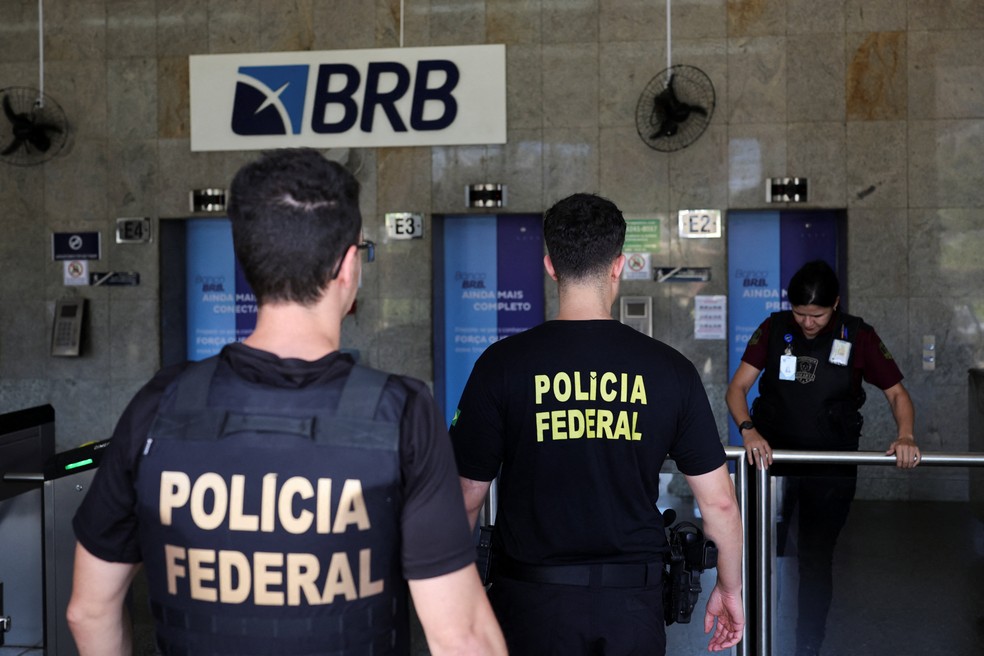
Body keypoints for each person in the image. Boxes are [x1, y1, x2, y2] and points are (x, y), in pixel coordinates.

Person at [66, 148, 506, 656]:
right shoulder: (400, 413)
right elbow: (462, 637)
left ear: (251, 261)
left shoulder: (160, 404)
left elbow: (89, 609)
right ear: (348, 266)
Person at [449, 193, 744, 655]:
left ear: (551, 267)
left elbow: (466, 497)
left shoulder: (501, 365)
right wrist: (730, 589)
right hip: (632, 605)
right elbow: (721, 505)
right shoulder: (670, 370)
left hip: (530, 603)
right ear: (618, 265)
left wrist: (448, 598)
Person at [725, 258, 921, 656]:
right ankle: (753, 639)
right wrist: (749, 431)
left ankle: (807, 646)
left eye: (816, 314)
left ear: (835, 303)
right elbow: (737, 389)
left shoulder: (858, 335)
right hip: (770, 466)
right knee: (759, 555)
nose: (807, 323)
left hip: (830, 468)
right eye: (799, 313)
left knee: (816, 560)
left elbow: (898, 394)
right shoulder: (774, 328)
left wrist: (906, 435)